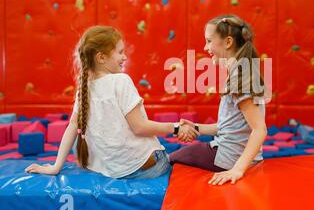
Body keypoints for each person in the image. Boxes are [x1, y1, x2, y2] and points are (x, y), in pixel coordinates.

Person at [25, 26, 198, 179]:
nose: (124, 57)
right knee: (187, 153)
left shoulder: (84, 88)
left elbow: (72, 127)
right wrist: (176, 128)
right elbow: (140, 127)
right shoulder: (121, 81)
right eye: (120, 52)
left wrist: (56, 167)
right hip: (144, 168)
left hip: (112, 169)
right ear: (101, 57)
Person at [169, 14, 268, 186]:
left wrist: (237, 169)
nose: (205, 47)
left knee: (169, 158)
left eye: (208, 41)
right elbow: (228, 127)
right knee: (184, 153)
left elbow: (259, 130)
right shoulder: (239, 72)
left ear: (228, 42)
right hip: (231, 154)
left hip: (228, 158)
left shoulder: (241, 77)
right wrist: (196, 128)